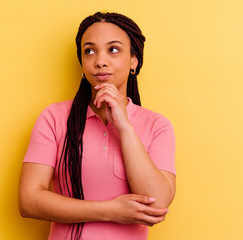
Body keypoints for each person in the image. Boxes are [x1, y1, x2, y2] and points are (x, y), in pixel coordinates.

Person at [18, 11, 176, 240]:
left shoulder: (157, 125)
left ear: (134, 60)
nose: (100, 61)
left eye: (113, 49)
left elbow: (157, 202)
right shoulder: (54, 117)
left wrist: (124, 126)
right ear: (82, 63)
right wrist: (110, 211)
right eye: (89, 51)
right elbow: (29, 201)